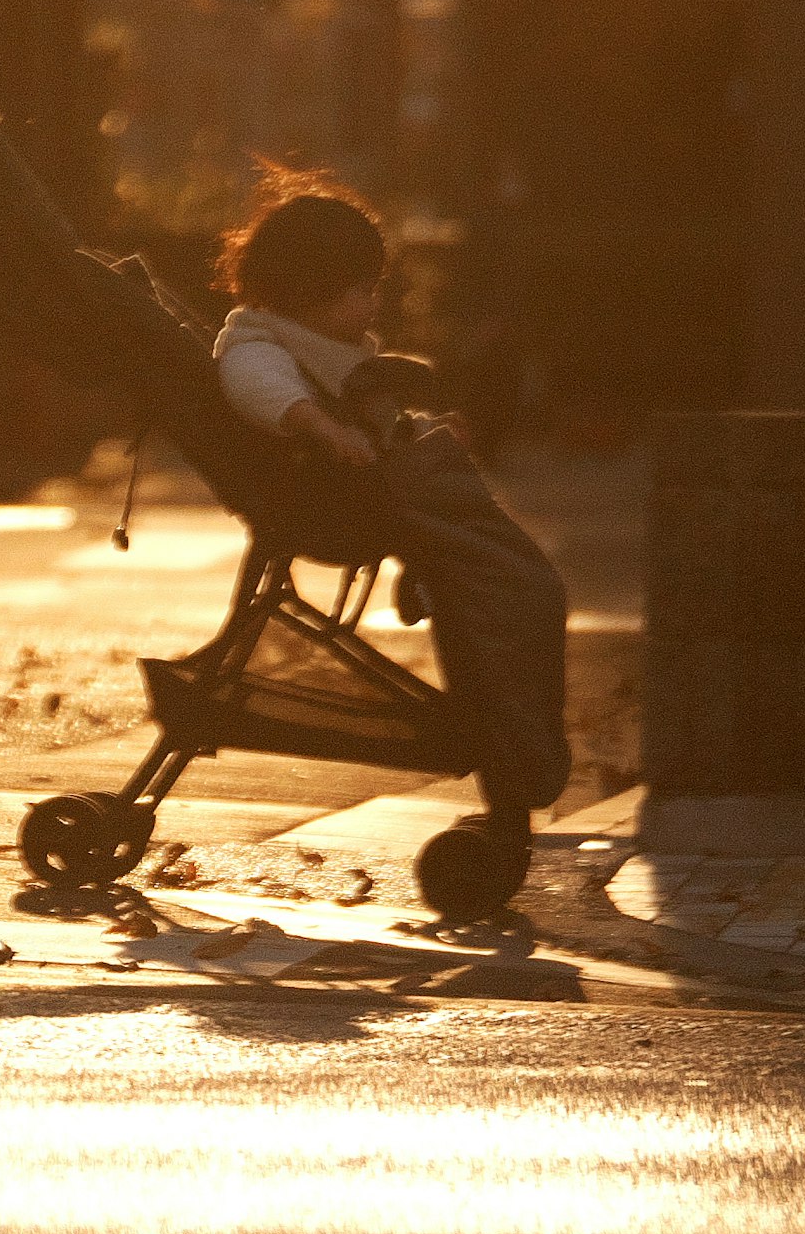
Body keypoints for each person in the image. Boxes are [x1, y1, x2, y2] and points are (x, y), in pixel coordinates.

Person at [210, 178, 571, 857]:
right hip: (362, 506)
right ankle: (517, 763)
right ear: (308, 292)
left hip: (391, 498)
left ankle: (517, 763)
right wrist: (317, 425)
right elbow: (260, 388)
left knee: (525, 590)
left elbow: (373, 420)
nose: (373, 302)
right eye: (361, 289)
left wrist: (431, 429)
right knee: (514, 591)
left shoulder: (321, 349)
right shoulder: (260, 346)